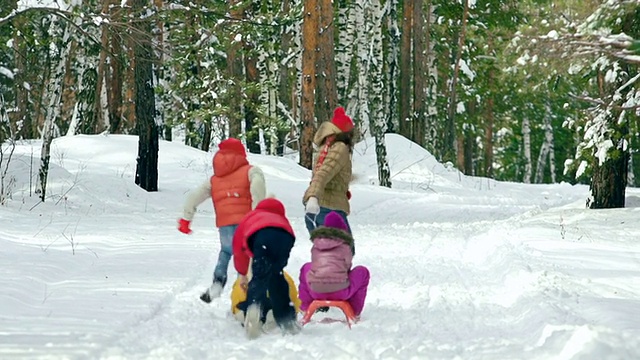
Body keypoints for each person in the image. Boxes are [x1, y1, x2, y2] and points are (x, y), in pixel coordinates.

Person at [177, 138, 266, 303]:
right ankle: (248, 288)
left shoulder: (214, 180)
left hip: (225, 225)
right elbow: (257, 186)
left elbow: (193, 197)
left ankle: (218, 283)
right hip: (247, 223)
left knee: (226, 252)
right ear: (241, 154)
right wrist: (259, 212)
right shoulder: (251, 171)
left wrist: (186, 219)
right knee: (249, 253)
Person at [232, 197, 300, 339]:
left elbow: (238, 248)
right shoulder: (281, 219)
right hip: (285, 237)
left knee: (259, 276)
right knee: (277, 277)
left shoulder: (252, 216)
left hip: (262, 237)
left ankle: (254, 308)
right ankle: (286, 319)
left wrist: (243, 273)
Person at [298, 211, 370, 319]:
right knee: (362, 271)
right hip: (340, 292)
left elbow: (315, 265)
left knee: (306, 267)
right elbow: (347, 267)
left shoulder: (316, 245)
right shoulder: (345, 246)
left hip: (316, 291)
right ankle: (355, 310)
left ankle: (305, 306)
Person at [302, 106, 355, 235]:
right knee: (344, 249)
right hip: (329, 208)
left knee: (325, 250)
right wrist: (313, 197)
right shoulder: (340, 148)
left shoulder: (326, 147)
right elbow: (323, 174)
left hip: (319, 209)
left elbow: (329, 171)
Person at [230, 261, 301, 332]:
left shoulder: (243, 279)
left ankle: (250, 313)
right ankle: (277, 316)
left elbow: (235, 300)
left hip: (246, 300)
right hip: (277, 298)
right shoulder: (284, 277)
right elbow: (293, 299)